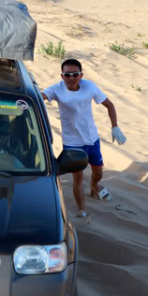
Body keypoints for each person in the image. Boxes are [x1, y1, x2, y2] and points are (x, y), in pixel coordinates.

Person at [42, 59, 126, 218]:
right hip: (72, 143)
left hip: (92, 139)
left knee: (98, 173)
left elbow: (110, 105)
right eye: (67, 75)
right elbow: (40, 97)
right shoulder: (57, 89)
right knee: (78, 177)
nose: (71, 78)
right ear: (62, 76)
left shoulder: (90, 87)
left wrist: (115, 126)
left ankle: (94, 186)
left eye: (75, 74)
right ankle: (82, 210)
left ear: (81, 75)